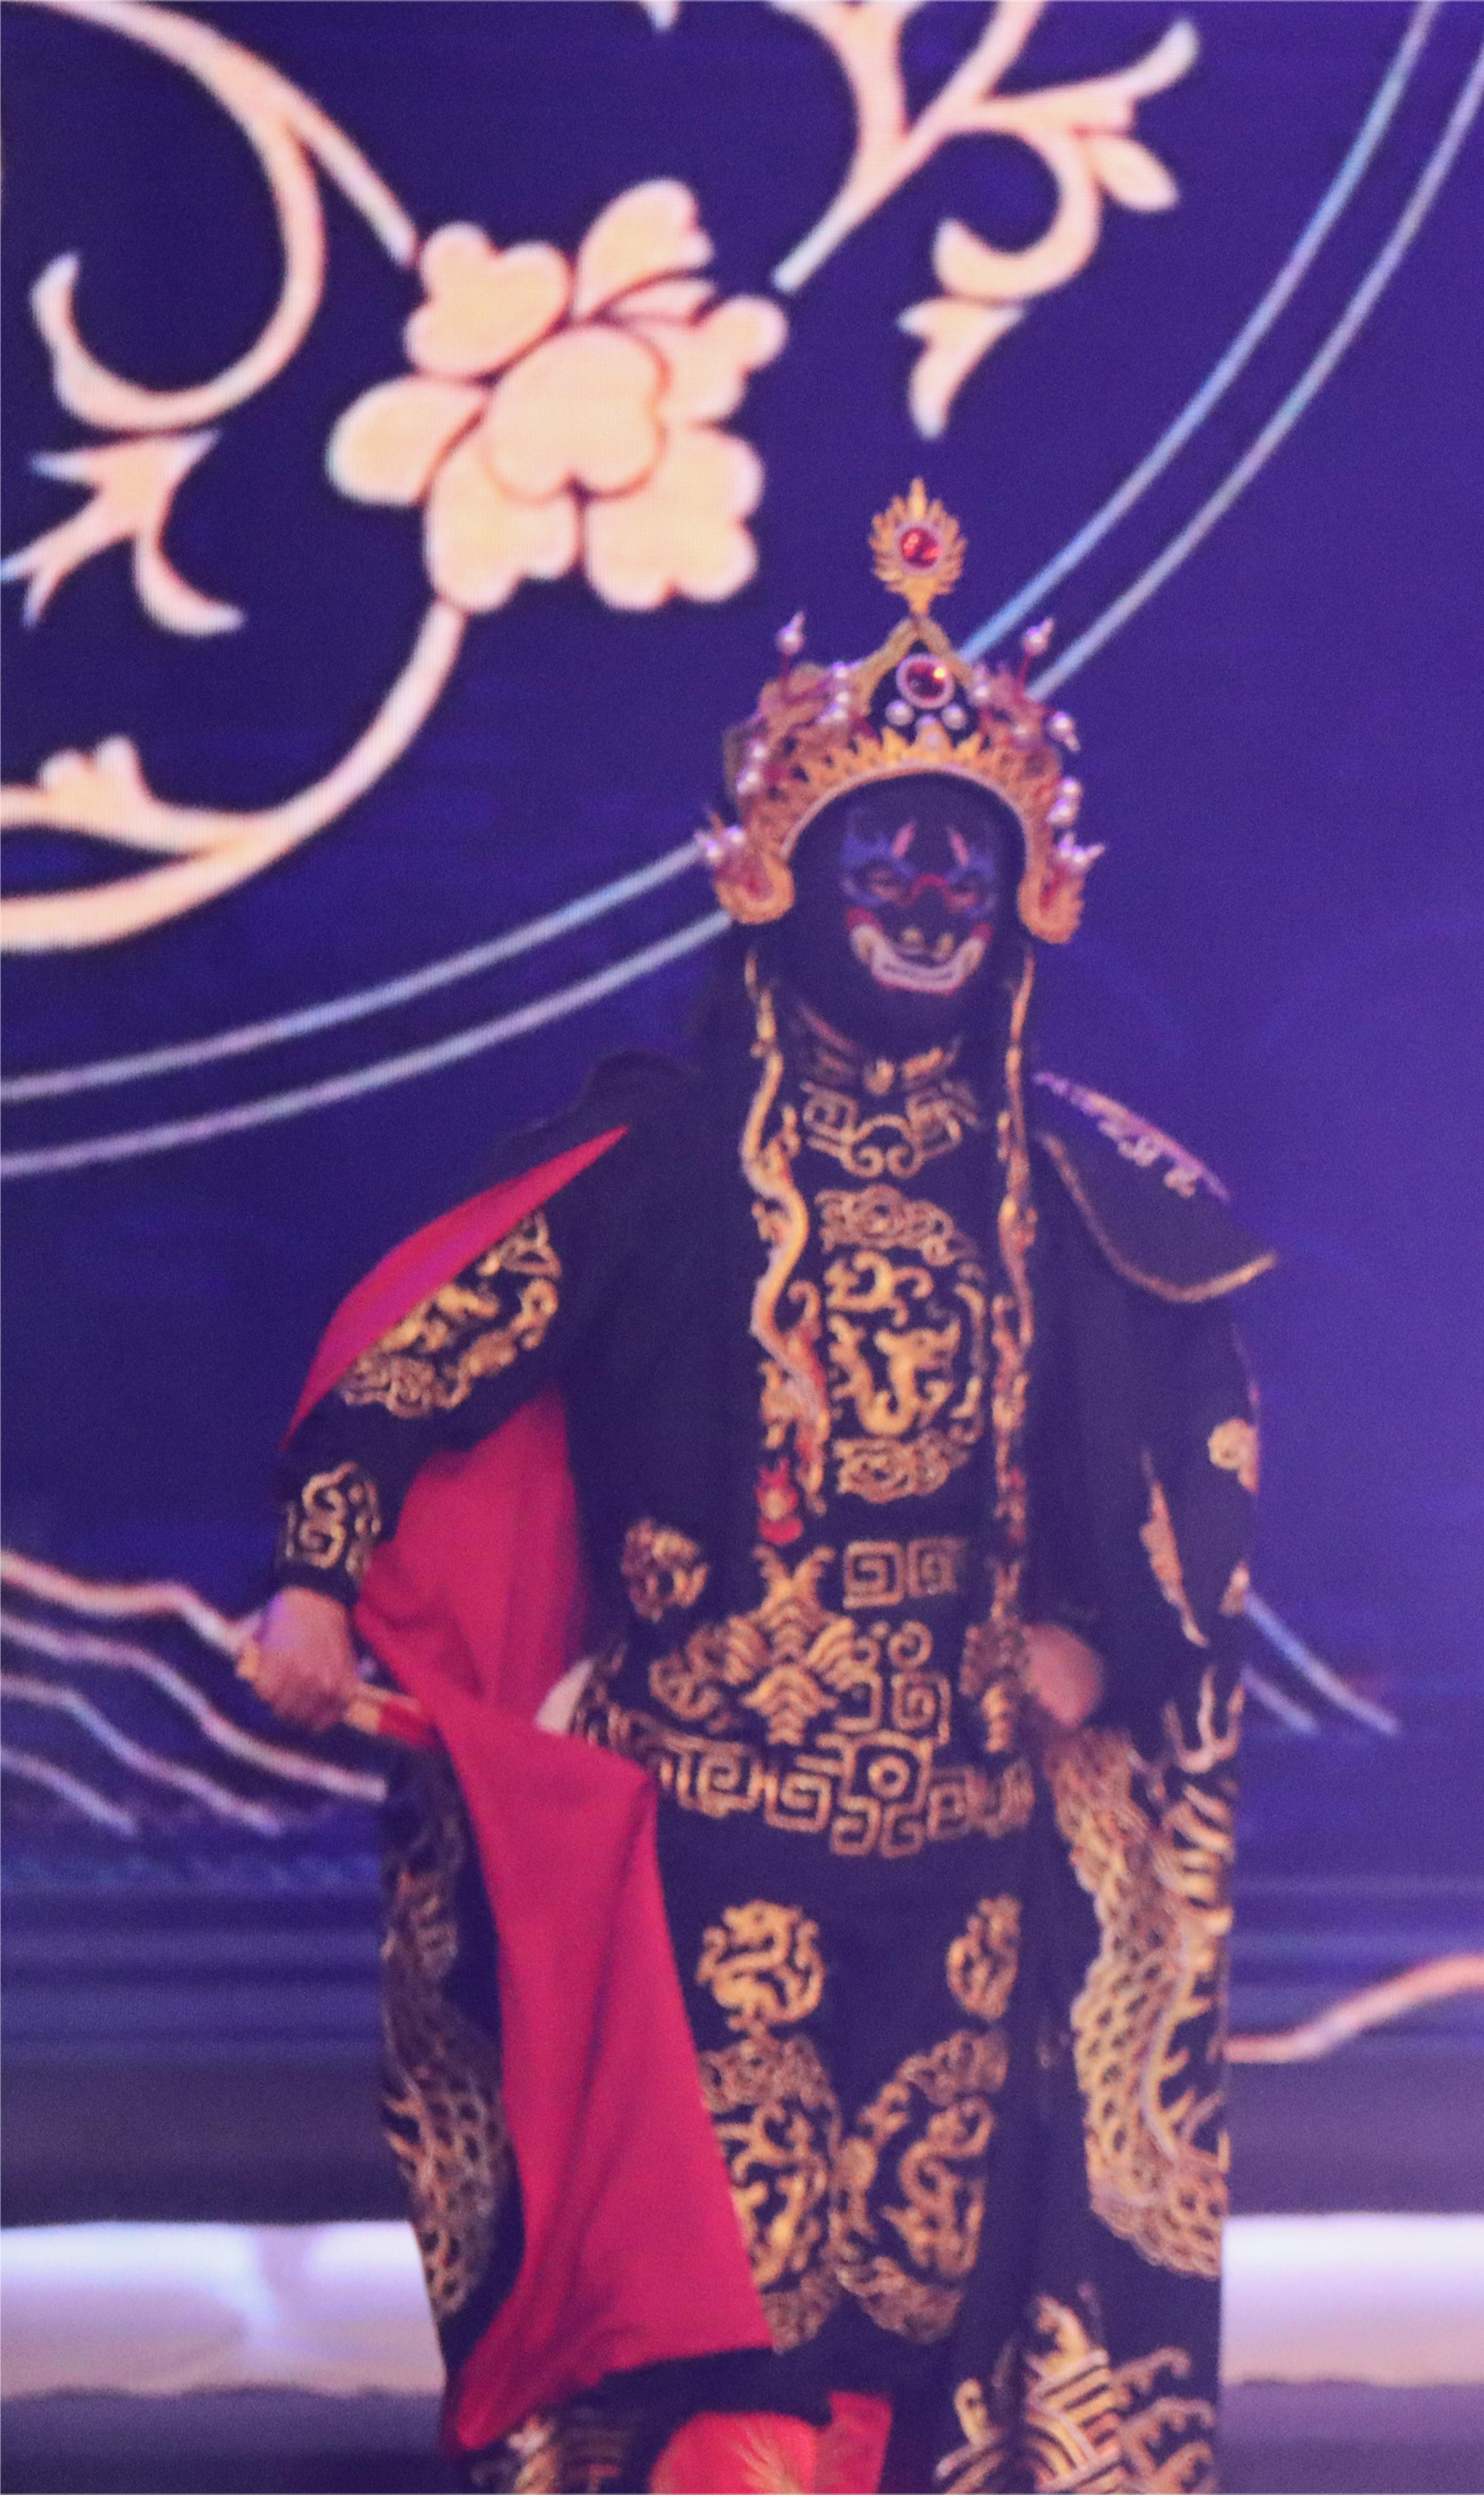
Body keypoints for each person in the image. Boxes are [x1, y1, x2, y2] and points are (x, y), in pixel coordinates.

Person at [239, 485, 1263, 2494]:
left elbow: (1200, 1460)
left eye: (964, 855)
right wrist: (316, 1579)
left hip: (968, 1838)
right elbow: (420, 1353)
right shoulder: (670, 1164)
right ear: (785, 876)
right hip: (714, 1832)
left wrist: (1098, 1637)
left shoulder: (1082, 1184)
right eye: (884, 848)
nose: (926, 890)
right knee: (736, 2316)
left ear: (1026, 893)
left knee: (916, 2312)